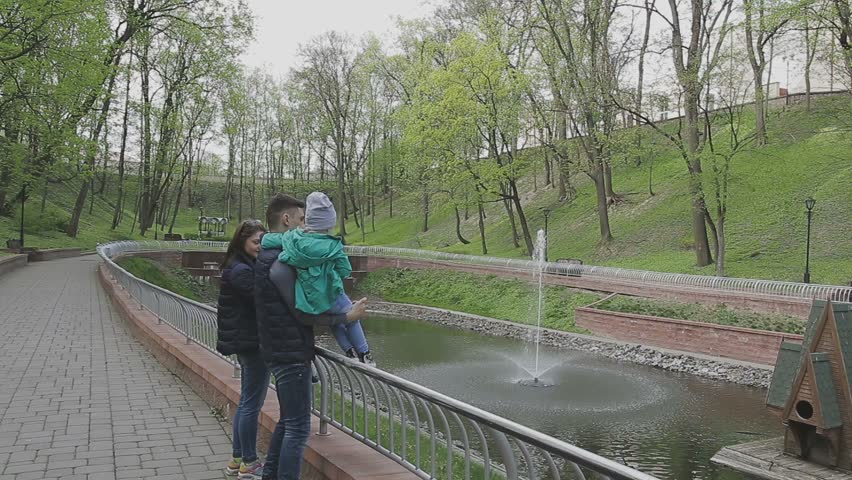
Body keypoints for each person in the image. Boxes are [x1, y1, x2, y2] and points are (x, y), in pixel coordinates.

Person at [255, 193, 367, 480]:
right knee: (299, 428)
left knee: (287, 422)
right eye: (302, 220)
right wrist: (345, 318)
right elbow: (301, 313)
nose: (306, 227)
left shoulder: (273, 253)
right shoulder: (279, 264)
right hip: (288, 353)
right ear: (287, 219)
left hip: (281, 348)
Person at [261, 192, 374, 364]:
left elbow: (268, 240)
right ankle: (365, 353)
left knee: (335, 322)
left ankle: (349, 352)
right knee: (352, 316)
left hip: (310, 298)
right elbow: (345, 270)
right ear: (330, 223)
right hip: (331, 293)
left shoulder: (294, 238)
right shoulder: (333, 245)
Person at [215, 220, 268, 479]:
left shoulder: (240, 266)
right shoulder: (241, 271)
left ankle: (237, 460)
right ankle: (249, 463)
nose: (260, 247)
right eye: (256, 242)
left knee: (246, 401)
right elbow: (263, 302)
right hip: (252, 343)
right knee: (251, 404)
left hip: (246, 341)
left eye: (263, 242)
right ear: (242, 242)